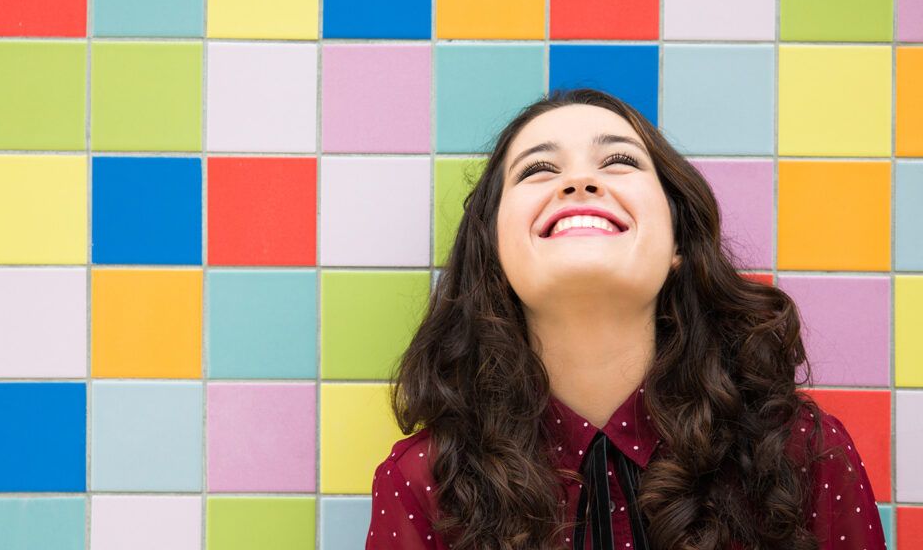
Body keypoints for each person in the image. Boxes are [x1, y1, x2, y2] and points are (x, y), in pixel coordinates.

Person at [364, 89, 887, 550]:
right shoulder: (423, 482)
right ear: (493, 251)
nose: (580, 181)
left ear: (679, 240)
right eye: (539, 169)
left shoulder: (800, 452)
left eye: (618, 161)